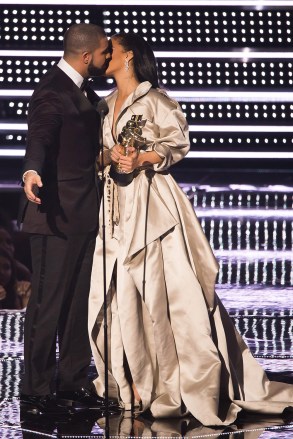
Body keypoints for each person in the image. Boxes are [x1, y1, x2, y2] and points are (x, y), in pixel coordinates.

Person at [88, 32, 293, 426]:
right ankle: (131, 383)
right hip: (112, 208)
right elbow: (92, 155)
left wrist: (144, 157)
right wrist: (108, 155)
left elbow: (177, 143)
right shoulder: (102, 106)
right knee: (116, 297)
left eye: (110, 48)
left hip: (152, 208)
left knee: (168, 296)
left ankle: (177, 383)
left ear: (127, 56)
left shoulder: (156, 100)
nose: (103, 53)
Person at [18, 23, 113, 416]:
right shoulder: (52, 90)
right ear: (87, 56)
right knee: (47, 304)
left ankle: (73, 381)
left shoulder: (83, 92)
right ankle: (36, 388)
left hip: (82, 215)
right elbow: (39, 135)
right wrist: (31, 170)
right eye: (106, 51)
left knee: (76, 305)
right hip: (53, 215)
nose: (109, 57)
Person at [0, 246, 31, 310]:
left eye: (6, 267)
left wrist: (26, 297)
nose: (1, 272)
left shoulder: (16, 292)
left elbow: (29, 319)